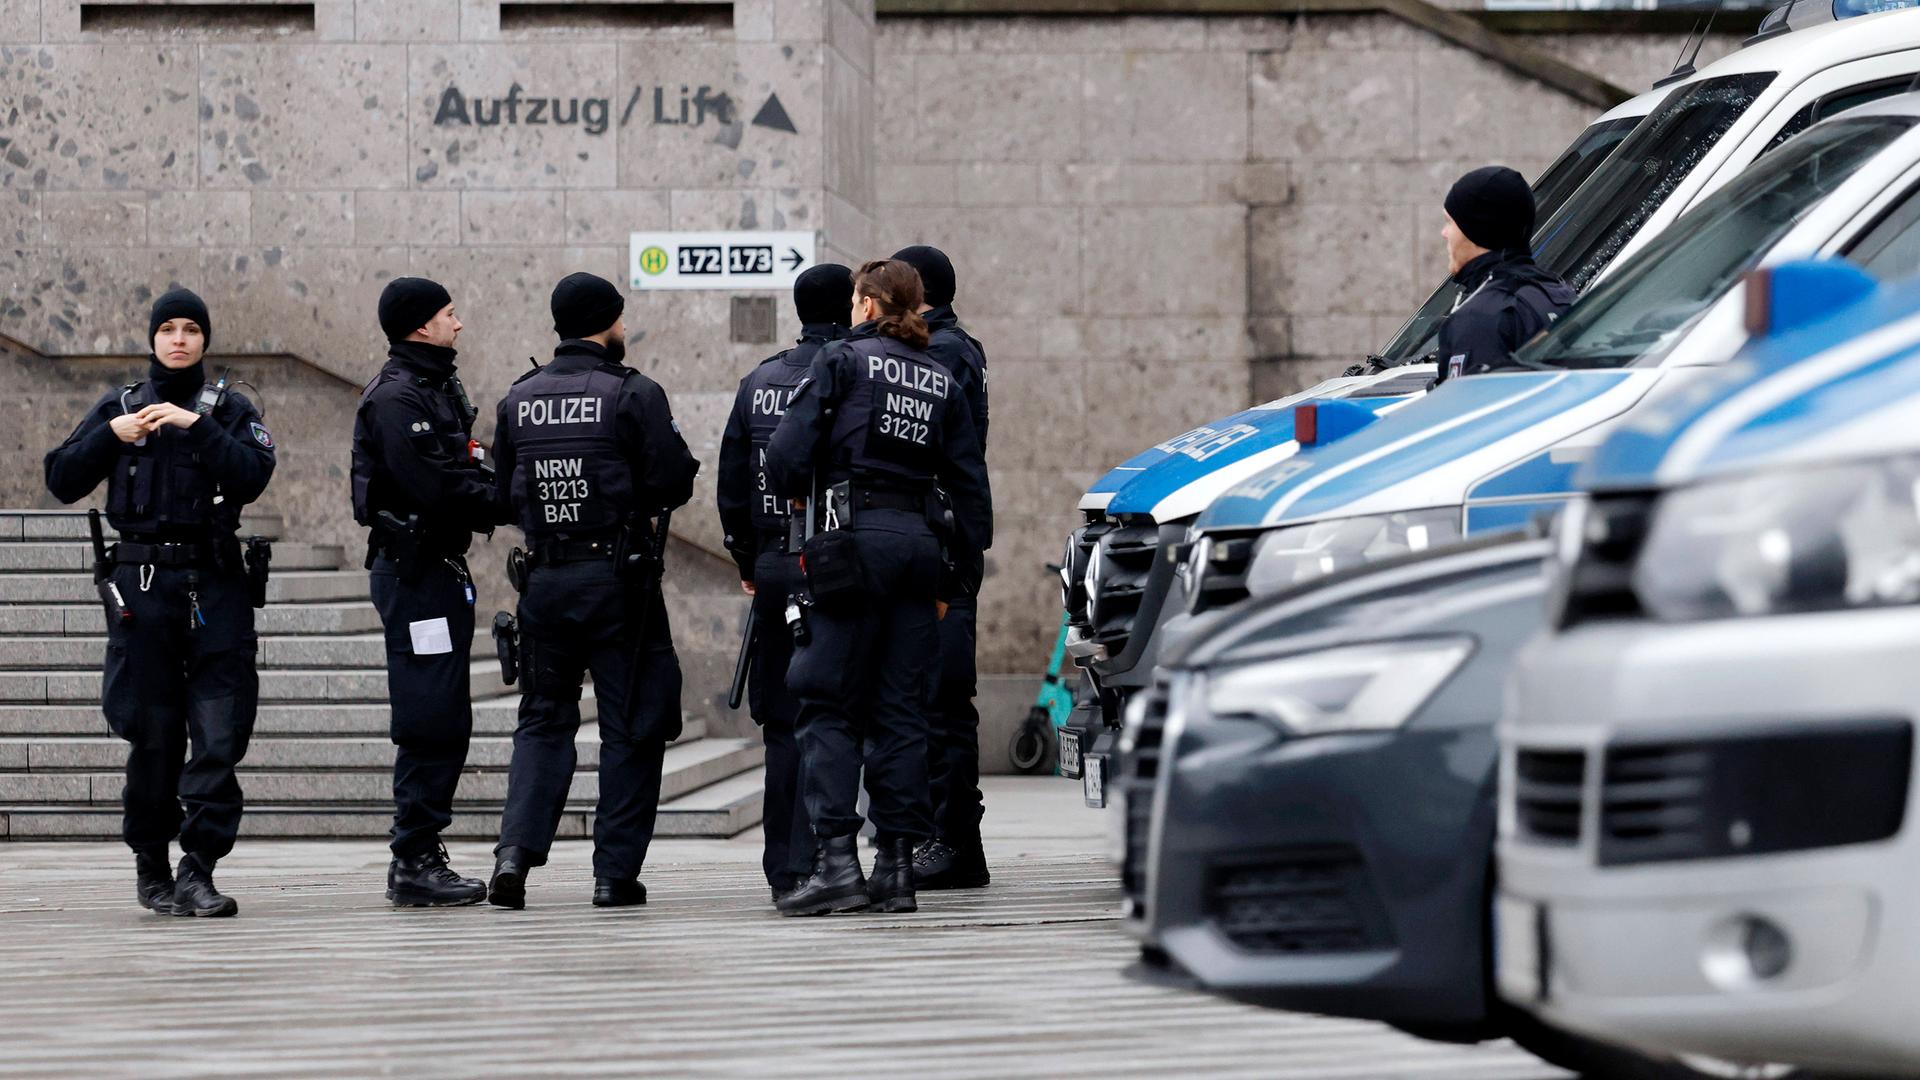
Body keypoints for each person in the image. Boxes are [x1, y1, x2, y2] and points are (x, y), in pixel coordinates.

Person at [764, 259, 991, 917]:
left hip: (848, 545)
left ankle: (838, 863)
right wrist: (956, 572)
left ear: (866, 304)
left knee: (830, 701)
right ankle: (897, 867)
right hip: (920, 552)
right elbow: (972, 490)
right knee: (902, 712)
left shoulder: (841, 361)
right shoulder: (939, 375)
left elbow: (783, 457)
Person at [44, 288, 275, 918]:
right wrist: (110, 439)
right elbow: (61, 478)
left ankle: (197, 868)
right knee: (151, 734)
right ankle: (153, 865)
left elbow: (253, 475)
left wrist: (198, 429)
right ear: (152, 339)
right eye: (167, 328)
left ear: (205, 339)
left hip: (215, 586)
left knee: (220, 734)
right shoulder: (121, 407)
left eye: (191, 329)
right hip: (142, 589)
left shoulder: (227, 410)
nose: (178, 339)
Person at [488, 272, 699, 910]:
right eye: (621, 319)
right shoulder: (633, 393)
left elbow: (500, 497)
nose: (625, 329)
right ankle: (613, 874)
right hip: (617, 585)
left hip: (545, 583)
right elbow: (673, 480)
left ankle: (513, 859)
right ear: (606, 322)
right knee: (631, 727)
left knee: (543, 721)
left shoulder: (518, 398)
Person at [351, 277, 498, 907]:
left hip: (438, 569)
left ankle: (421, 849)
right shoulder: (397, 397)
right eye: (448, 314)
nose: (458, 324)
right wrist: (511, 496)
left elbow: (460, 465)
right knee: (428, 713)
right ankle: (413, 856)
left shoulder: (433, 386)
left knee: (445, 713)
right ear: (419, 326)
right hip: (415, 577)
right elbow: (436, 484)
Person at [717, 263, 854, 905]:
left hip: (773, 565)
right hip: (831, 565)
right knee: (833, 717)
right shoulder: (855, 371)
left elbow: (730, 483)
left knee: (781, 725)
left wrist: (749, 563)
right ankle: (828, 860)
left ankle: (783, 868)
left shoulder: (760, 380)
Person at [891, 244, 992, 891]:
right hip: (941, 540)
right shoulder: (954, 348)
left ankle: (950, 843)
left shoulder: (944, 353)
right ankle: (954, 843)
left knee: (942, 702)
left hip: (943, 547)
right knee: (933, 700)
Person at [1433, 166, 1576, 383]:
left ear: (1475, 229)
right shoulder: (1559, 293)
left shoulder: (1481, 317)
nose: (1444, 234)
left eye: (1450, 222)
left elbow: (1468, 409)